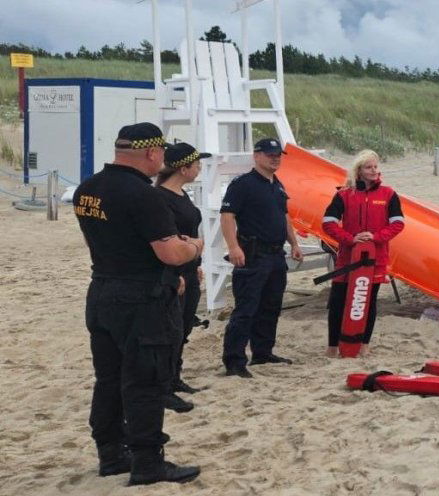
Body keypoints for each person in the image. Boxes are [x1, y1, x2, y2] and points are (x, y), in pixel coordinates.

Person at [75, 122, 200, 485]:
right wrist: (194, 247)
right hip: (141, 298)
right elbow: (171, 252)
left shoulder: (88, 188)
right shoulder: (144, 195)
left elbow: (104, 240)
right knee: (145, 380)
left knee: (109, 378)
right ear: (152, 152)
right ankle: (147, 462)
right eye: (161, 152)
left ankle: (111, 453)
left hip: (102, 287)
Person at [220, 137, 302, 378]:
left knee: (271, 306)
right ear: (256, 156)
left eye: (277, 155)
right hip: (253, 255)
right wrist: (233, 247)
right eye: (269, 154)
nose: (274, 158)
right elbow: (227, 216)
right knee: (246, 309)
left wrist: (294, 243)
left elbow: (284, 216)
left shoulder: (277, 184)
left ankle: (262, 352)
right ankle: (234, 360)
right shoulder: (243, 184)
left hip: (276, 254)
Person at [321, 149, 405, 357]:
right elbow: (328, 223)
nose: (374, 171)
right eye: (369, 167)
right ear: (358, 171)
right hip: (347, 259)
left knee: (369, 301)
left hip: (375, 259)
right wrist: (350, 239)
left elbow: (398, 224)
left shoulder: (388, 194)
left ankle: (364, 345)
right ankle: (332, 347)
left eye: (376, 166)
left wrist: (375, 237)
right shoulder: (344, 194)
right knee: (338, 301)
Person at [155, 142, 211, 408]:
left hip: (189, 269)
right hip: (173, 272)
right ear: (184, 168)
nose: (199, 169)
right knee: (170, 329)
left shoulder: (182, 194)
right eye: (197, 164)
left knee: (185, 326)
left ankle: (175, 376)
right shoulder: (161, 198)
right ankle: (163, 384)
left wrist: (195, 261)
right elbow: (166, 240)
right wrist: (176, 270)